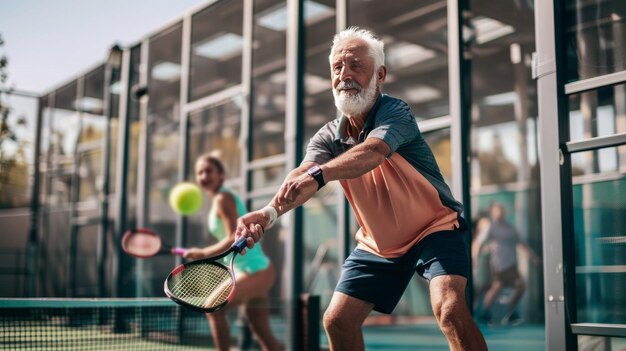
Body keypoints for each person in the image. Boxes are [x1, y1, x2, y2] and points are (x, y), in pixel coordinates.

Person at [235, 27, 487, 351]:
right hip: (377, 244)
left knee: (450, 310)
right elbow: (301, 175)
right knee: (337, 322)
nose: (345, 75)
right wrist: (268, 213)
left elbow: (372, 152)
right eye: (337, 68)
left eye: (355, 65)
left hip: (433, 229)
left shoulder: (396, 112)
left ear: (380, 74)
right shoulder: (326, 136)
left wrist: (320, 173)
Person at [183, 153, 283, 351]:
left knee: (213, 309)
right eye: (199, 173)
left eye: (209, 171)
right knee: (263, 333)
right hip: (248, 269)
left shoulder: (223, 197)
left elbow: (232, 238)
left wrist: (202, 253)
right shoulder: (218, 199)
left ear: (221, 175)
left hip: (255, 270)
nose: (204, 176)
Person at [477, 202, 541, 326]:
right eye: (497, 210)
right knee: (497, 287)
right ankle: (486, 314)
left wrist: (533, 258)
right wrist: (476, 258)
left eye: (501, 210)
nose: (499, 212)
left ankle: (508, 313)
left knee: (519, 286)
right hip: (498, 265)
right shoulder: (491, 227)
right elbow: (480, 243)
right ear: (493, 212)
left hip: (511, 265)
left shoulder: (511, 228)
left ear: (505, 212)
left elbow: (521, 244)